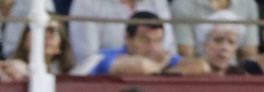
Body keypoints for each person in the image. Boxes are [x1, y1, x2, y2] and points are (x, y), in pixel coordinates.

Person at [71, 10, 206, 75]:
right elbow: (139, 67)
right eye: (145, 40)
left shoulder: (162, 58)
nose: (153, 48)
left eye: (158, 41)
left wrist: (166, 71)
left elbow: (201, 66)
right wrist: (161, 68)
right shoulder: (106, 55)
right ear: (128, 38)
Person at [69, 0, 177, 66]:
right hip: (104, 82)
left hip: (155, 78)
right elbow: (87, 62)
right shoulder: (86, 2)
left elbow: (168, 51)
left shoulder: (158, 2)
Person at [171, 0, 259, 61]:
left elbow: (249, 54)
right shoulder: (181, 5)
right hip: (197, 74)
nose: (224, 47)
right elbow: (186, 55)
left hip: (233, 74)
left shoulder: (249, 4)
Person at [194, 10, 247, 75]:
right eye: (218, 40)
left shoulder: (241, 76)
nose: (224, 47)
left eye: (231, 42)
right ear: (203, 43)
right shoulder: (190, 74)